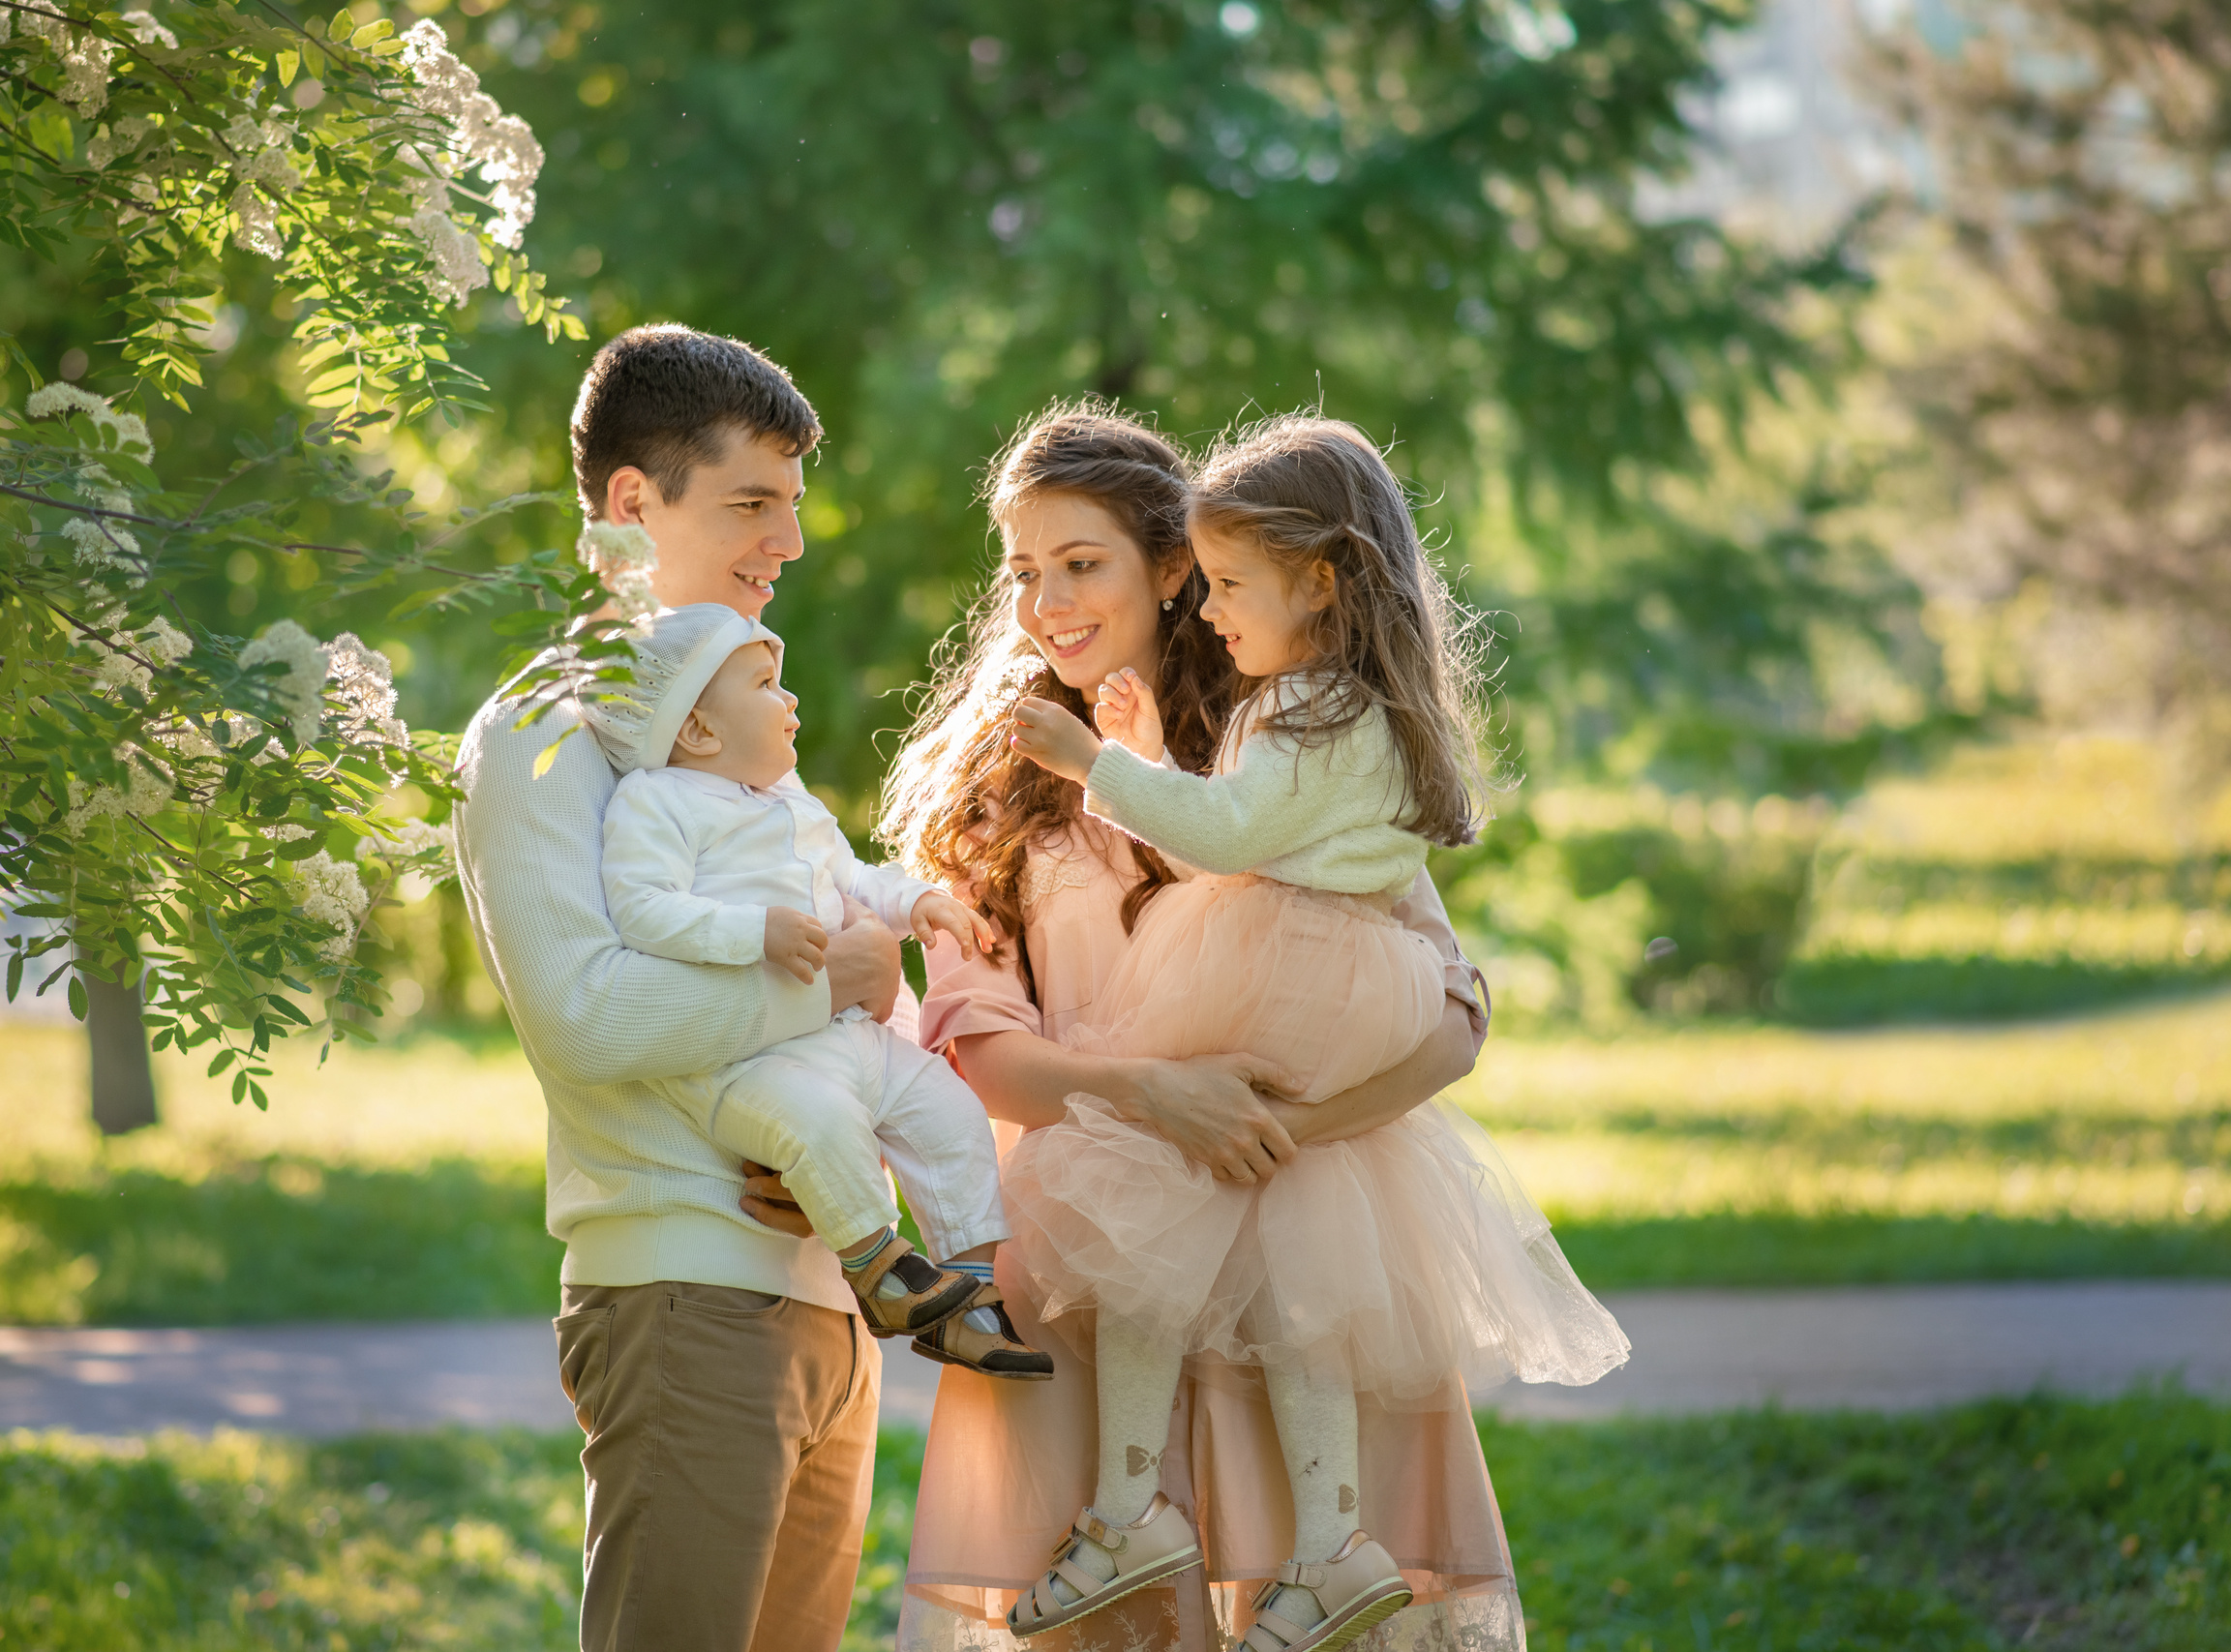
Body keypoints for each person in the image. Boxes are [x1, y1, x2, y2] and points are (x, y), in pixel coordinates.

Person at [868, 404, 1531, 1652]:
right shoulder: (1003, 789)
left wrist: (1292, 1130)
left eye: (1083, 564)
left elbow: (1450, 1007)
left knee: (1322, 1588)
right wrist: (1158, 1097)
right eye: (1022, 572)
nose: (1046, 603)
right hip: (1104, 1266)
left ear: (1174, 569)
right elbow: (979, 1052)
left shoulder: (1285, 746)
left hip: (1300, 1249)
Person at [997, 414, 1629, 1649]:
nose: (1217, 612)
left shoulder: (1308, 711)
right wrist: (1138, 751)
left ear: (1321, 579)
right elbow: (1232, 825)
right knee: (1303, 1291)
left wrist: (1093, 765)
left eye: (1230, 585)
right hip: (1333, 986)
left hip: (1295, 974)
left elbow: (1231, 841)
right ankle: (1328, 1547)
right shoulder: (1328, 709)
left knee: (1143, 1227)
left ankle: (1135, 1510)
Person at [452, 324, 903, 1652]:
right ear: (632, 507)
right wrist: (831, 994)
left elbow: (861, 967)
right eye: (752, 502)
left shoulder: (746, 728)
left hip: (826, 1290)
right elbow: (587, 1013)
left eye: (796, 506)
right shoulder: (539, 731)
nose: (791, 542)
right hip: (685, 1291)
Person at [586, 598, 1053, 1378]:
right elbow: (642, 909)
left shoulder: (794, 802)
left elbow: (857, 882)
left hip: (849, 1034)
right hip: (757, 1055)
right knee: (822, 1126)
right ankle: (880, 1269)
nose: (791, 698)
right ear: (698, 730)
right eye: (767, 684)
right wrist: (753, 932)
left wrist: (919, 901)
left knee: (950, 1112)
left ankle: (970, 1295)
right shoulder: (656, 802)